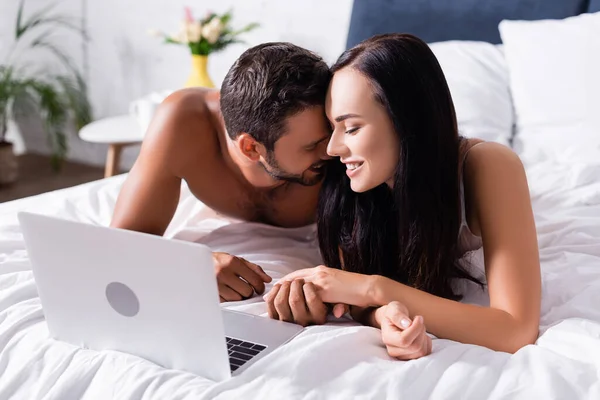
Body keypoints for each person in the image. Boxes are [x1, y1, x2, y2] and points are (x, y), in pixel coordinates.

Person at [264, 33, 542, 360]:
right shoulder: (351, 186)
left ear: (406, 120)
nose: (332, 148)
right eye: (332, 128)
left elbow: (516, 329)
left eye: (351, 128)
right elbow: (356, 299)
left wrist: (374, 289)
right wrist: (386, 316)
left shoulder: (490, 165)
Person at [111, 42, 342, 323]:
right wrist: (189, 265)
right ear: (251, 148)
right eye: (313, 146)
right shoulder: (185, 123)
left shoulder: (342, 138)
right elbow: (121, 243)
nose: (332, 149)